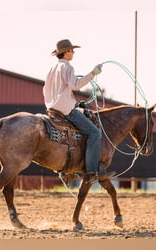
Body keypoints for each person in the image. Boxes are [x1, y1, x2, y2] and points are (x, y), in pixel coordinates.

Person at [43, 39, 105, 183]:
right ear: (66, 52)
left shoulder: (52, 69)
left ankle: (68, 169)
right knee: (94, 133)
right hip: (66, 110)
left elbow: (46, 90)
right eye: (71, 50)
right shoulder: (68, 67)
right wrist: (93, 74)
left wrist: (71, 101)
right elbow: (75, 85)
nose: (73, 52)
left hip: (52, 109)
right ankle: (91, 172)